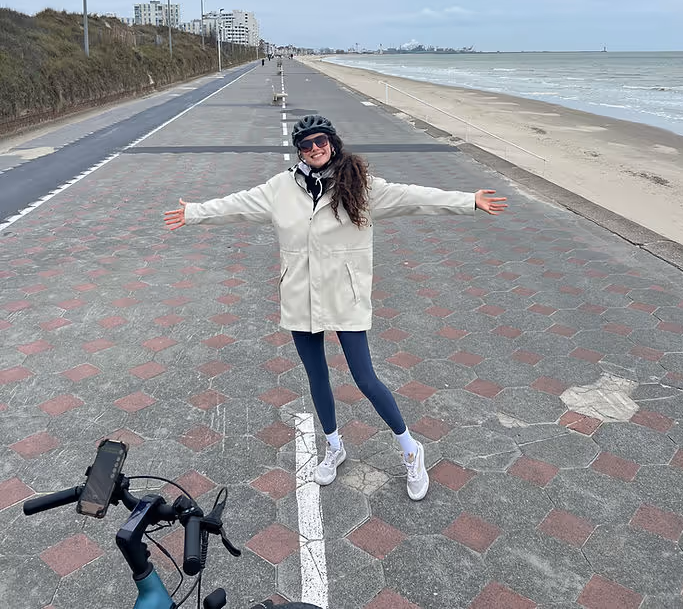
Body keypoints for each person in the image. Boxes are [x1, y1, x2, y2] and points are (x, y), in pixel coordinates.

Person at [164, 113, 507, 501]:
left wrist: (469, 202)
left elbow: (415, 198)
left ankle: (411, 449)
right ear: (298, 151)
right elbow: (236, 205)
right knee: (317, 377)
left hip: (345, 295)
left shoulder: (361, 187)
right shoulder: (280, 188)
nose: (314, 150)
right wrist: (193, 212)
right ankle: (334, 446)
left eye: (320, 142)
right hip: (300, 296)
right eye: (305, 145)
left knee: (365, 379)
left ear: (332, 141)